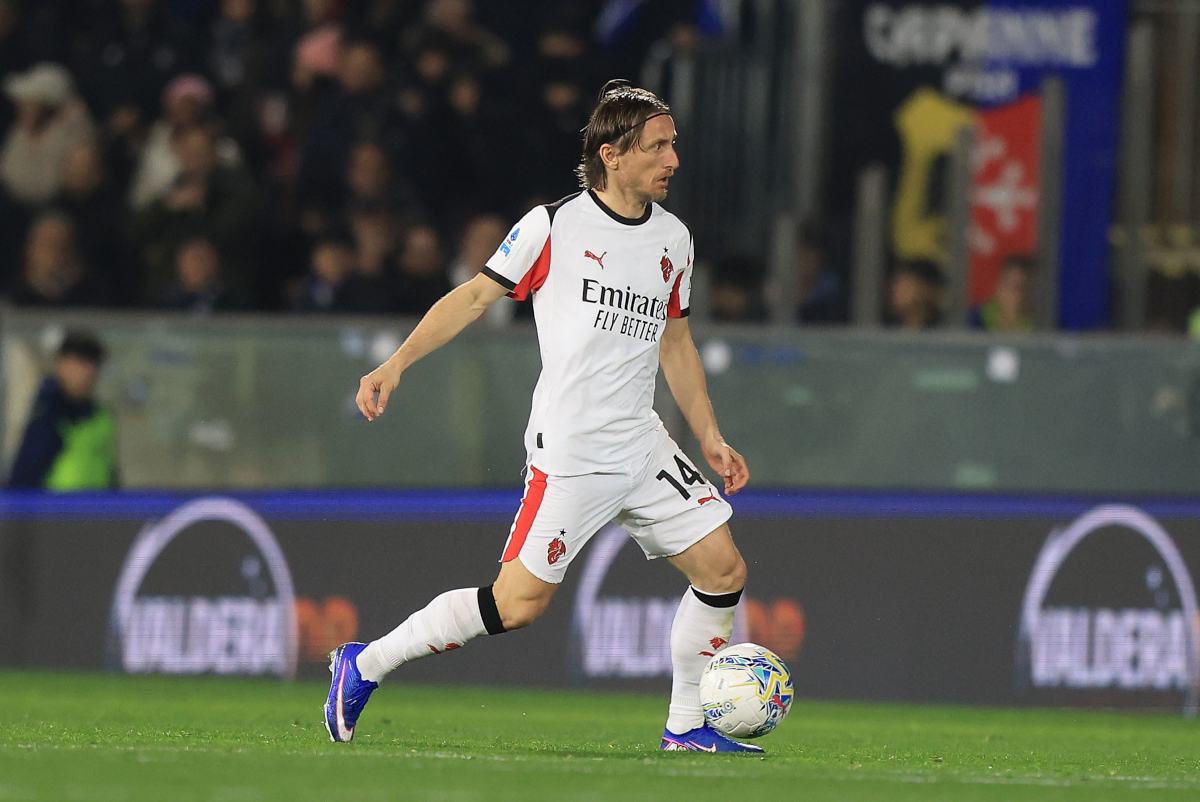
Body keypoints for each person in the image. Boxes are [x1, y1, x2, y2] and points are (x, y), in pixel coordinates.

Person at [325, 80, 758, 754]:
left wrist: (710, 435)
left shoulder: (674, 241)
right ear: (612, 155)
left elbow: (675, 342)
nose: (674, 159)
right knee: (516, 606)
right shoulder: (554, 225)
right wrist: (395, 363)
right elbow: (473, 298)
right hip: (572, 454)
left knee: (724, 570)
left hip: (642, 446)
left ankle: (686, 726)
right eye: (659, 147)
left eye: (675, 144)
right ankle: (365, 663)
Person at [9, 331, 118, 490]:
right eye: (78, 362)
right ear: (61, 364)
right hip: (57, 510)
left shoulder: (102, 416)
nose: (85, 372)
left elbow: (109, 468)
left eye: (91, 364)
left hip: (98, 508)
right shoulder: (48, 413)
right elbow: (25, 476)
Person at [969, 256, 1034, 333]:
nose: (1008, 293)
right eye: (1005, 284)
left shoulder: (1040, 327)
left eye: (1017, 287)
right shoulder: (975, 319)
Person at [886, 259, 944, 330]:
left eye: (905, 285)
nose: (895, 291)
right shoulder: (886, 329)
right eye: (895, 284)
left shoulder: (944, 331)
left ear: (926, 288)